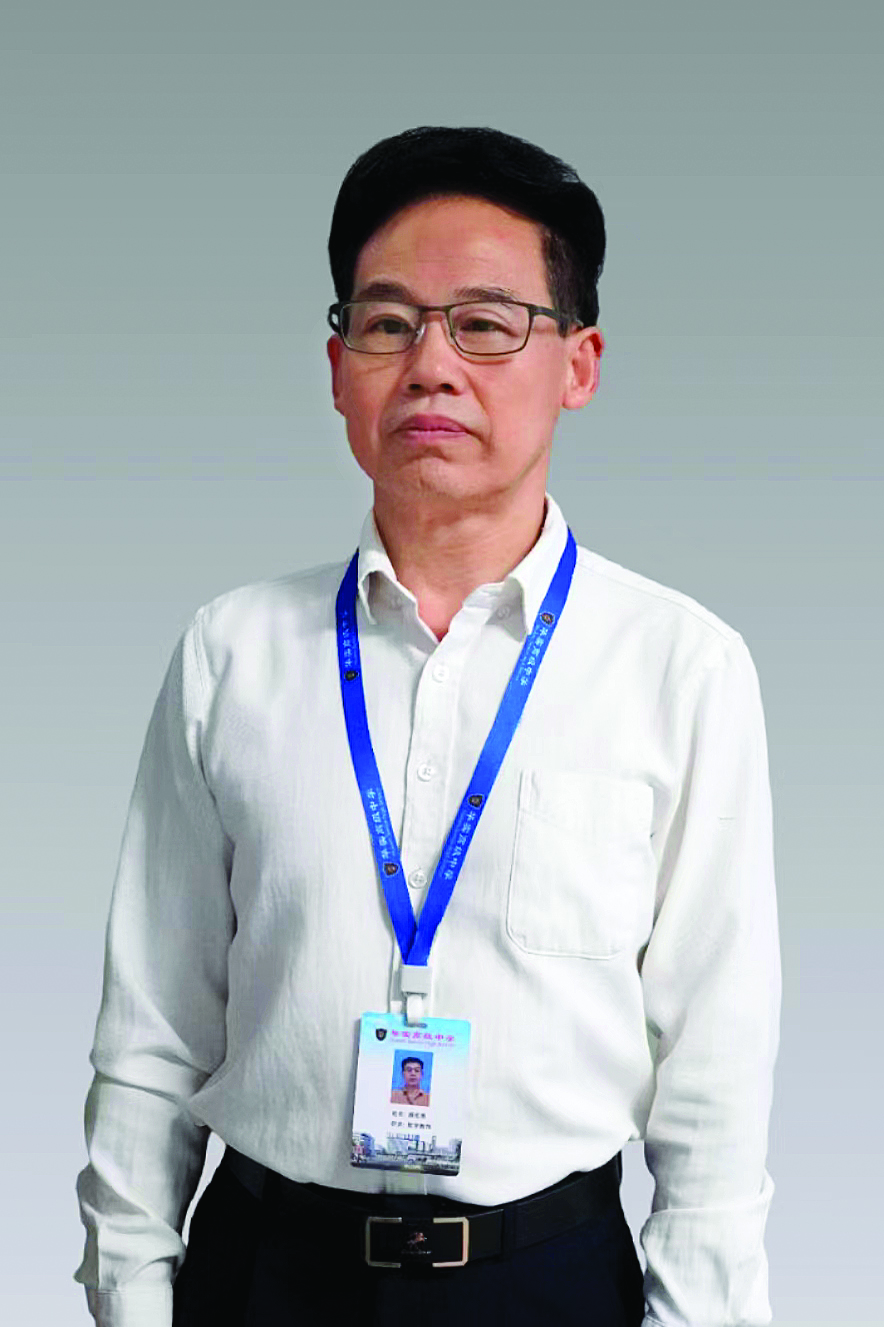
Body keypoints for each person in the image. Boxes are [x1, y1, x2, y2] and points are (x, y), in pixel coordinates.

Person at [75, 126, 780, 1327]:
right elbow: (151, 1032)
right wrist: (132, 1299)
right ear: (337, 364)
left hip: (547, 1281)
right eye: (388, 322)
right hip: (267, 1275)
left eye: (486, 323)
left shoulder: (680, 669)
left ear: (578, 364)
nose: (431, 365)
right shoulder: (230, 655)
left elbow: (714, 1082)